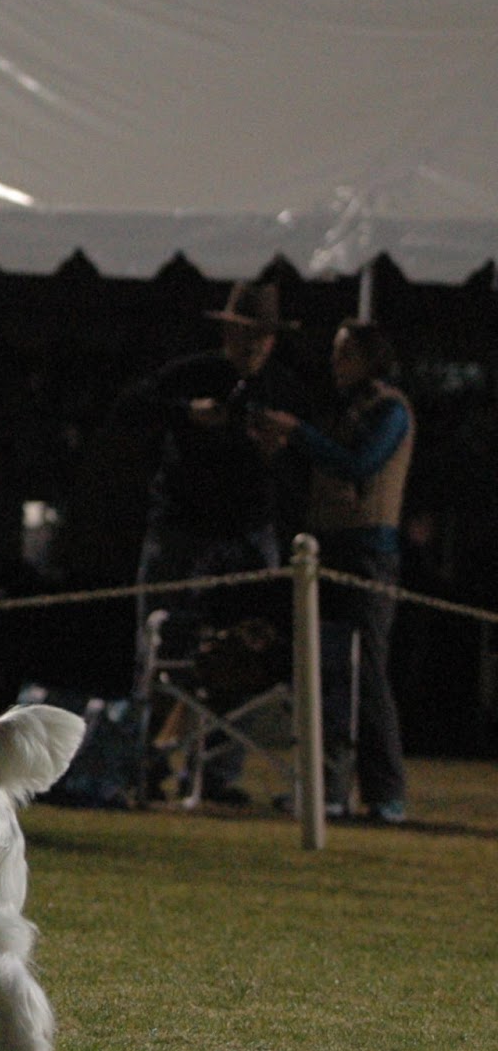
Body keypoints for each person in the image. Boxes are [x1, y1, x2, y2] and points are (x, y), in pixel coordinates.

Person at [121, 281, 310, 804]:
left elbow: (306, 470)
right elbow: (131, 406)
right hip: (181, 529)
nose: (250, 346)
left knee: (241, 655)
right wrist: (187, 413)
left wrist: (278, 451)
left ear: (272, 341)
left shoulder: (284, 389)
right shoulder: (195, 373)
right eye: (241, 334)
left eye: (260, 337)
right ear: (226, 332)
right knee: (158, 649)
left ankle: (218, 773)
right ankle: (145, 763)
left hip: (246, 535)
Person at [254, 320, 414, 823]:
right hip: (329, 549)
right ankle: (326, 787)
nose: (334, 362)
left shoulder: (390, 410)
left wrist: (299, 433)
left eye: (344, 353)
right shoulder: (345, 410)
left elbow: (360, 466)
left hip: (368, 553)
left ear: (370, 358)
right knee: (323, 672)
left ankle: (385, 793)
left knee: (365, 672)